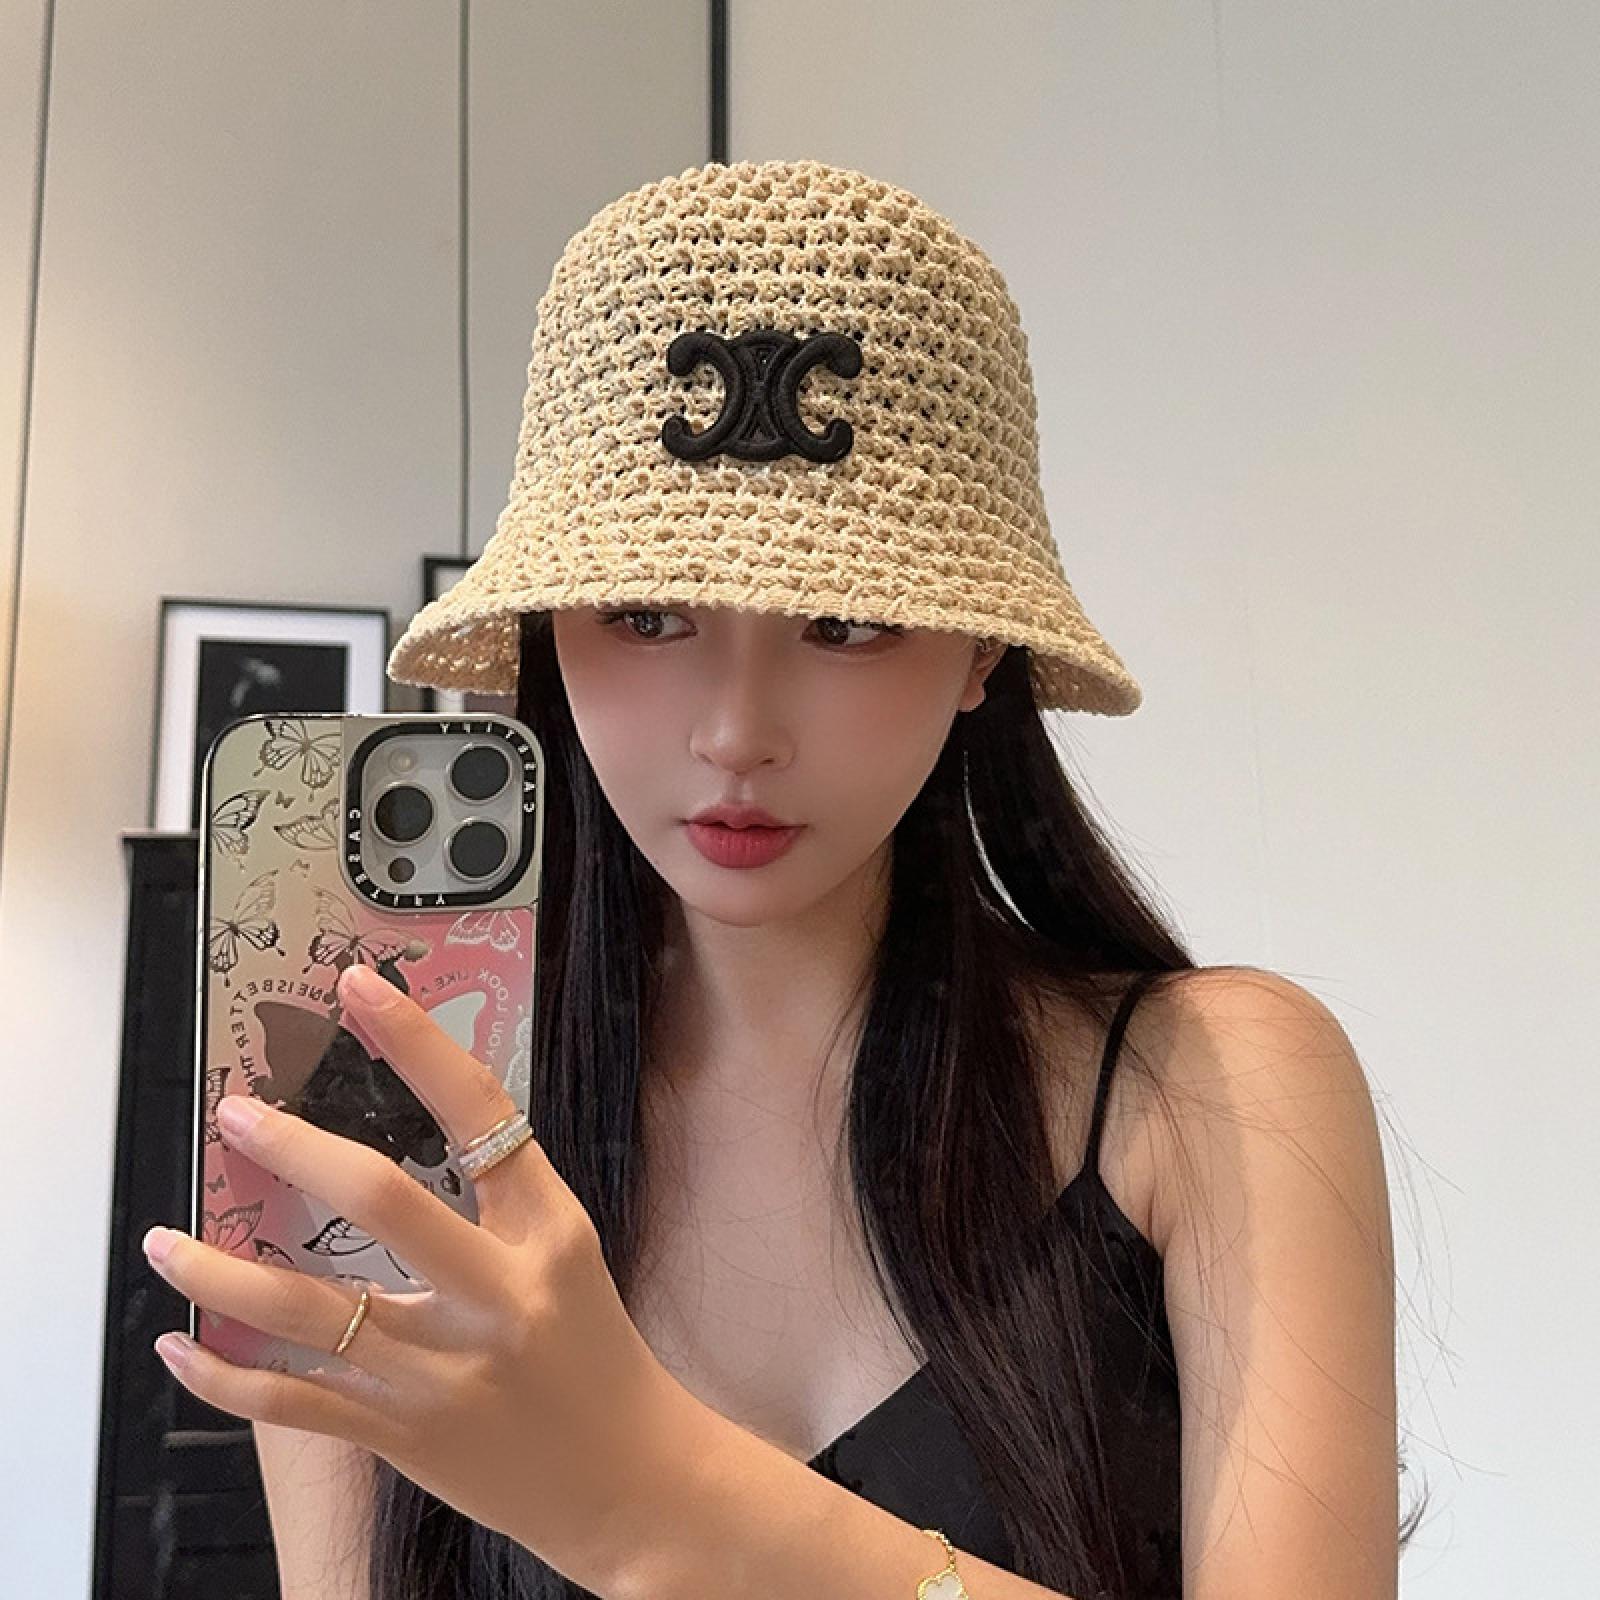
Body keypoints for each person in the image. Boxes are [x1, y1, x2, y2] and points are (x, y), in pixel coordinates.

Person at [258, 157, 1424, 1600]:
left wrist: (647, 1502)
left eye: (847, 624)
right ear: (550, 634)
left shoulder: (1214, 1095)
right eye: (648, 615)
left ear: (982, 649)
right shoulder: (388, 1127)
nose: (736, 732)